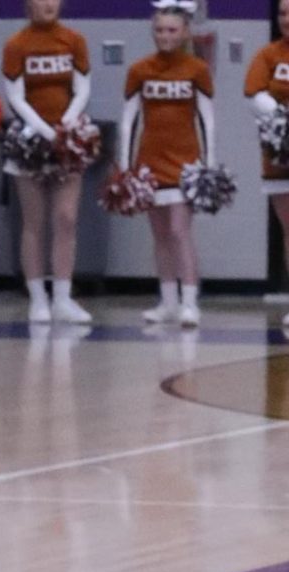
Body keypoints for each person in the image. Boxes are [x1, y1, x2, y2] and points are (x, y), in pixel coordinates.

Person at [120, 1, 213, 328]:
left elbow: (206, 120)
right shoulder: (140, 70)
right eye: (159, 30)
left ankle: (190, 302)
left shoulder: (196, 70)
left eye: (172, 30)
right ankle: (168, 302)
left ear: (185, 31)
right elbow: (129, 121)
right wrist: (125, 167)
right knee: (159, 234)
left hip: (186, 165)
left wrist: (208, 166)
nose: (165, 36)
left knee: (179, 231)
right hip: (150, 163)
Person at [3, 0, 93, 324]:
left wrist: (66, 126)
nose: (49, 4)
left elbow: (82, 88)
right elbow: (15, 95)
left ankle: (64, 298)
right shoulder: (17, 44)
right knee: (34, 222)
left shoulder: (73, 40)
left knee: (67, 218)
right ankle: (38, 298)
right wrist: (43, 130)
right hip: (30, 141)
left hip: (68, 140)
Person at [246, 0, 289, 320]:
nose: (286, 19)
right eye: (283, 13)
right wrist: (283, 121)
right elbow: (253, 91)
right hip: (280, 154)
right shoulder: (268, 54)